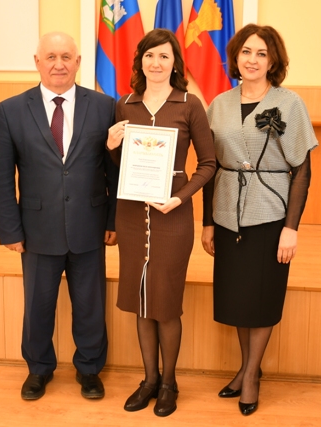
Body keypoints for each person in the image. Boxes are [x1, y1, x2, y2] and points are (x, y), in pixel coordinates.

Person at [0, 32, 118, 402]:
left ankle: (89, 369)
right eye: (50, 57)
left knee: (90, 305)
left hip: (90, 225)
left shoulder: (104, 106)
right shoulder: (12, 110)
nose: (58, 64)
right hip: (36, 229)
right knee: (38, 305)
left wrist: (112, 221)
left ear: (78, 62)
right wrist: (10, 230)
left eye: (66, 56)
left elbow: (113, 170)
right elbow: (1, 177)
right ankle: (38, 368)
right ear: (37, 62)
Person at [201, 24, 318, 416]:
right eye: (246, 52)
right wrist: (207, 222)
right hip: (227, 213)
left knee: (262, 297)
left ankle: (251, 375)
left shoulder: (289, 103)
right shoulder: (218, 104)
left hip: (270, 214)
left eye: (261, 54)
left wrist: (291, 228)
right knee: (239, 298)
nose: (252, 60)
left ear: (273, 61)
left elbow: (302, 170)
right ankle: (245, 366)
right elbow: (209, 166)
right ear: (235, 57)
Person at [106, 29, 215, 417]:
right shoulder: (125, 105)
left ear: (175, 63)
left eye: (164, 56)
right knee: (141, 300)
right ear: (140, 61)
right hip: (132, 217)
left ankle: (169, 383)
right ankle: (149, 380)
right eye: (149, 55)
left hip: (173, 215)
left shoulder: (190, 104)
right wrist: (111, 147)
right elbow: (122, 167)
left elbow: (209, 164)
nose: (156, 63)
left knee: (165, 304)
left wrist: (180, 198)